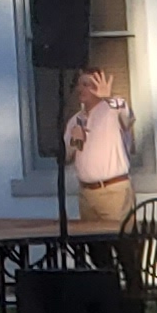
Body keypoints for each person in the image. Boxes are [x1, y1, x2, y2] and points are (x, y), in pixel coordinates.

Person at [63, 64, 136, 229]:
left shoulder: (113, 108)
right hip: (86, 195)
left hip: (113, 192)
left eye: (86, 85)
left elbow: (129, 118)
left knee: (121, 242)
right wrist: (75, 142)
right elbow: (66, 157)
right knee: (95, 247)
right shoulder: (75, 120)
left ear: (98, 86)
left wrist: (109, 98)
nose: (80, 89)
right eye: (79, 84)